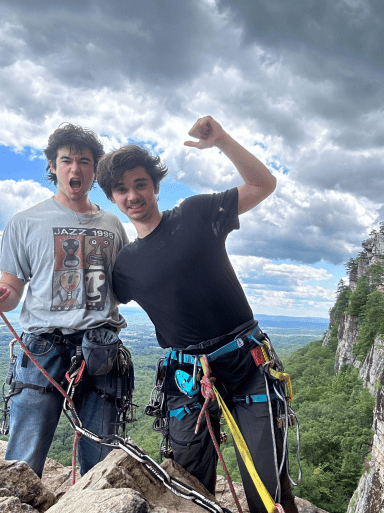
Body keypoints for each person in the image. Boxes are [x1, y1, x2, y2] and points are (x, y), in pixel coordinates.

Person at [97, 116, 298, 513]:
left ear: (155, 186)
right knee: (189, 486)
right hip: (186, 376)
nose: (133, 195)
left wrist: (222, 139)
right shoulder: (124, 267)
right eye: (121, 189)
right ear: (112, 198)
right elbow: (95, 303)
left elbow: (263, 185)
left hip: (245, 361)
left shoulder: (196, 213)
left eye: (140, 184)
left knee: (266, 487)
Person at [0, 124, 130, 478]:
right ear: (53, 166)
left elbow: (124, 289)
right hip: (42, 347)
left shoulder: (113, 225)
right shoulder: (24, 223)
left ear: (94, 169)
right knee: (22, 462)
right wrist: (3, 296)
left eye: (85, 161)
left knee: (100, 462)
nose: (76, 168)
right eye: (67, 160)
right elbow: (10, 293)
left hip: (99, 347)